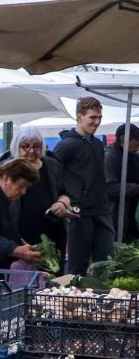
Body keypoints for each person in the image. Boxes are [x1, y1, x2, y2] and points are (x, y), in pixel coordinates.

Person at [0, 126, 73, 257]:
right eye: (25, 146)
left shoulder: (52, 165)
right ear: (17, 147)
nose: (31, 151)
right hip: (18, 239)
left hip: (52, 237)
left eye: (36, 146)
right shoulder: (7, 167)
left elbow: (65, 193)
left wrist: (62, 204)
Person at [54, 97, 113, 274]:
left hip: (101, 210)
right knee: (77, 266)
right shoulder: (66, 145)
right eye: (92, 117)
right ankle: (71, 300)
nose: (97, 122)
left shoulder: (97, 144)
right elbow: (53, 175)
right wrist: (64, 201)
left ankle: (105, 300)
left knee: (107, 264)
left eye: (99, 117)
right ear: (79, 117)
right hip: (78, 213)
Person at [105, 123, 139, 242]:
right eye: (136, 143)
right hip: (116, 215)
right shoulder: (110, 157)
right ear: (124, 140)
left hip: (131, 214)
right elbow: (110, 188)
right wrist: (136, 188)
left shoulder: (133, 155)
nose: (138, 147)